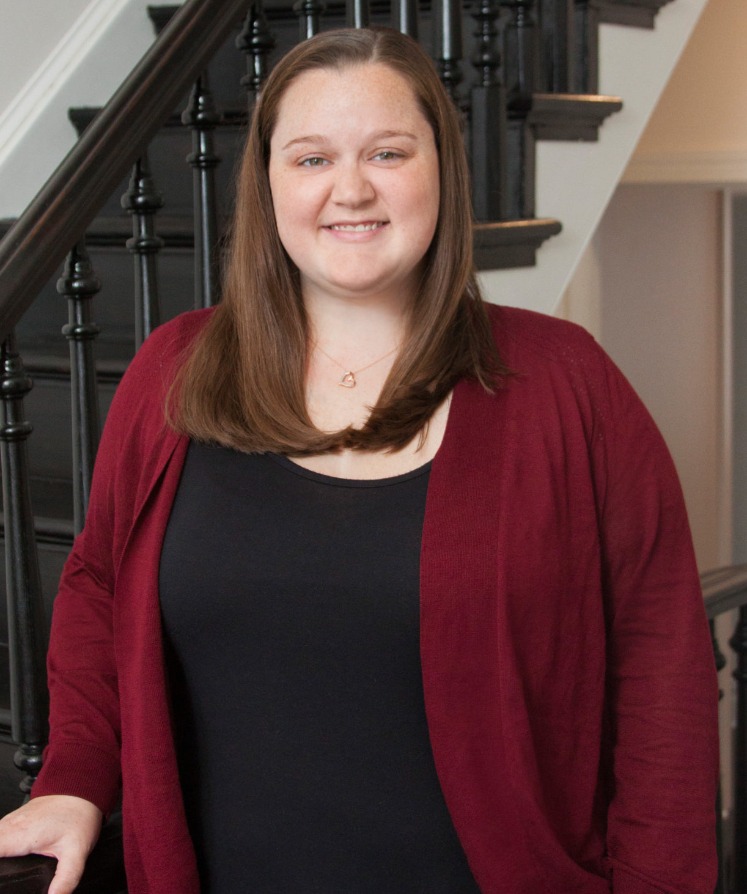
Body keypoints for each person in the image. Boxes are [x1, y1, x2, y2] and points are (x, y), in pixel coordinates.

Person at [0, 26, 718, 894]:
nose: (350, 189)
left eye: (387, 151)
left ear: (441, 170)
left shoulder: (567, 383)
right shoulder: (174, 369)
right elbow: (98, 586)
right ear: (266, 186)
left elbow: (659, 668)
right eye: (309, 159)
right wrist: (76, 778)